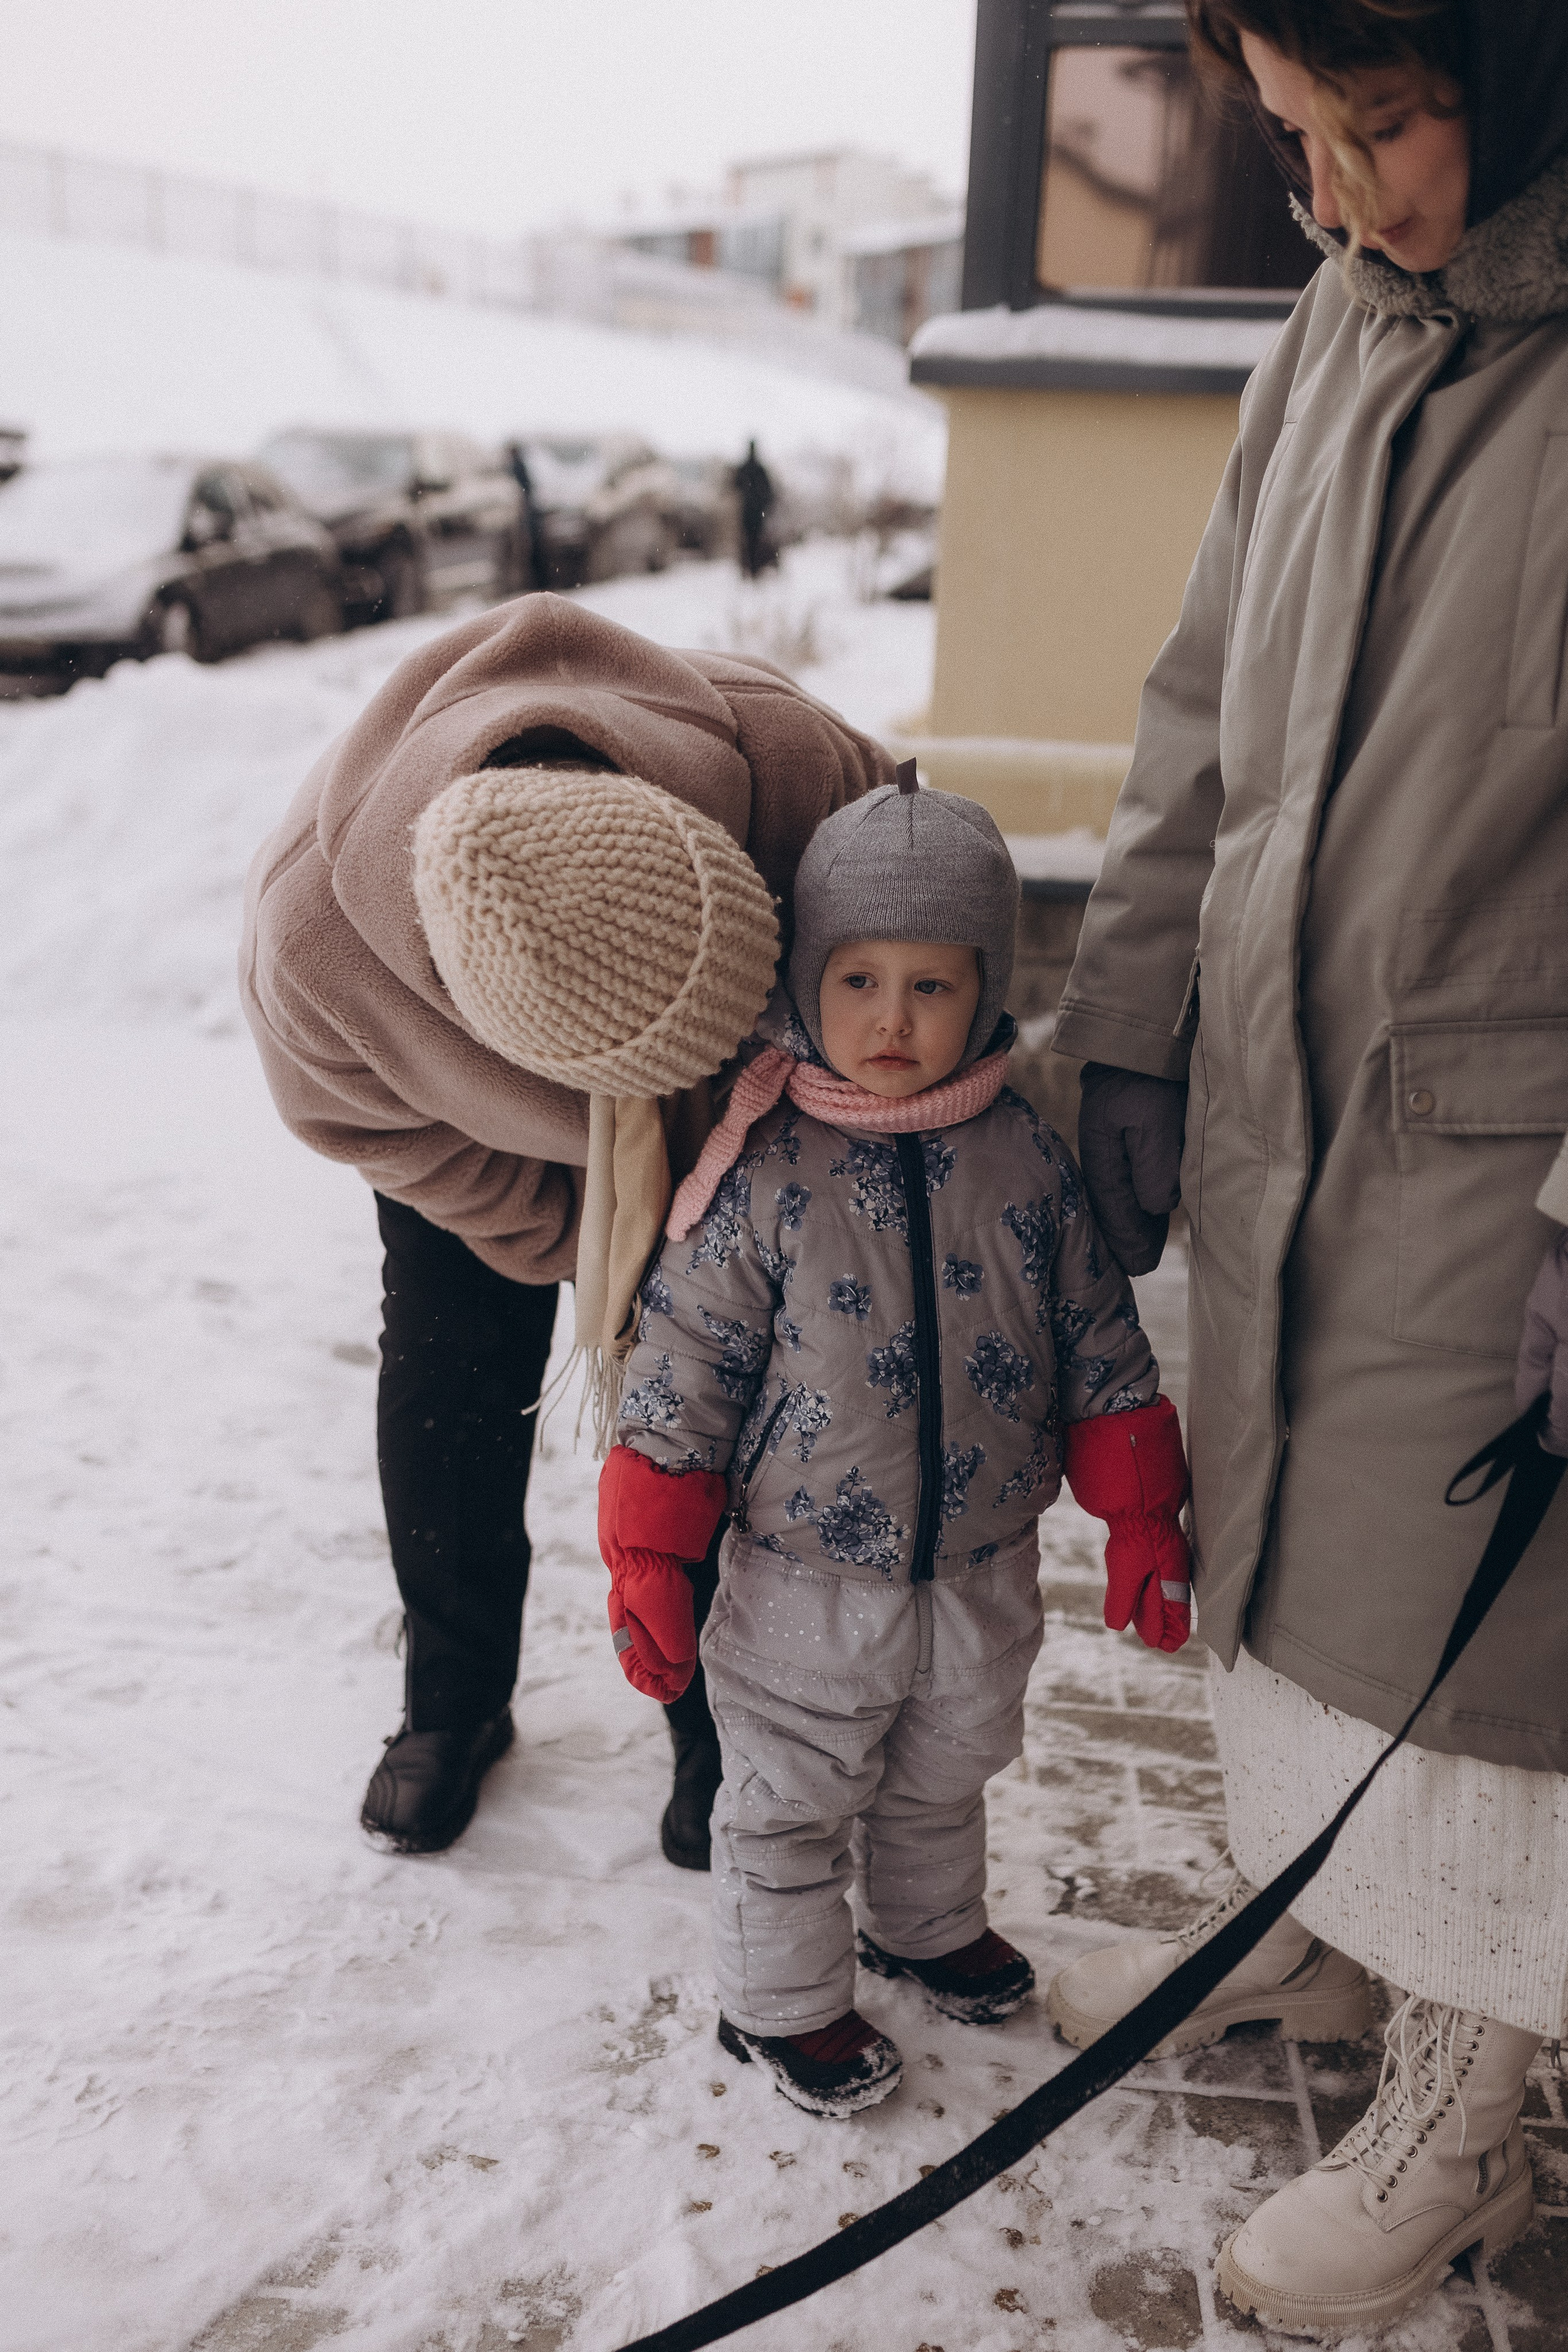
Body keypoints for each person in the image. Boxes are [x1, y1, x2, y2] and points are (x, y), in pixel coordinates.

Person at [1047, 0, 1568, 2332]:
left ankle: (1473, 2100)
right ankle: (1322, 1947)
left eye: (1380, 124)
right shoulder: (1327, 334)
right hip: (1281, 1089)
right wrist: (1127, 1023)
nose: (1339, 190)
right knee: (1291, 1580)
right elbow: (1192, 711)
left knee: (1487, 1661)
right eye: (1290, 137)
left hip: (1501, 1150)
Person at [240, 592, 891, 1862]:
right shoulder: (316, 940)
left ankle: (717, 1719)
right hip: (463, 1134)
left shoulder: (802, 775)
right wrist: (553, 1230)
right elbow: (359, 1122)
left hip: (737, 1109)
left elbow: (928, 917)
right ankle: (452, 1699)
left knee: (720, 1402)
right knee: (452, 1366)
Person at [596, 773, 1194, 2117]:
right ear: (807, 983)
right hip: (806, 1579)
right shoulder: (762, 1175)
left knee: (945, 1768)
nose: (890, 1019)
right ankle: (784, 2004)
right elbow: (682, 1366)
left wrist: (1142, 1518)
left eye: (930, 986)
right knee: (789, 1803)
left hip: (982, 1564)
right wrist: (649, 1556)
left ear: (983, 991)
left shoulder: (1024, 1162)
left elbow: (1099, 1340)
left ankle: (921, 1929)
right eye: (858, 979)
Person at [732, 439, 776, 581]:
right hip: (756, 512)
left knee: (748, 541)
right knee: (754, 541)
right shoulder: (758, 469)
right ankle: (753, 569)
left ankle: (749, 569)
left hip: (749, 511)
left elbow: (735, 486)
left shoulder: (745, 468)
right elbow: (769, 491)